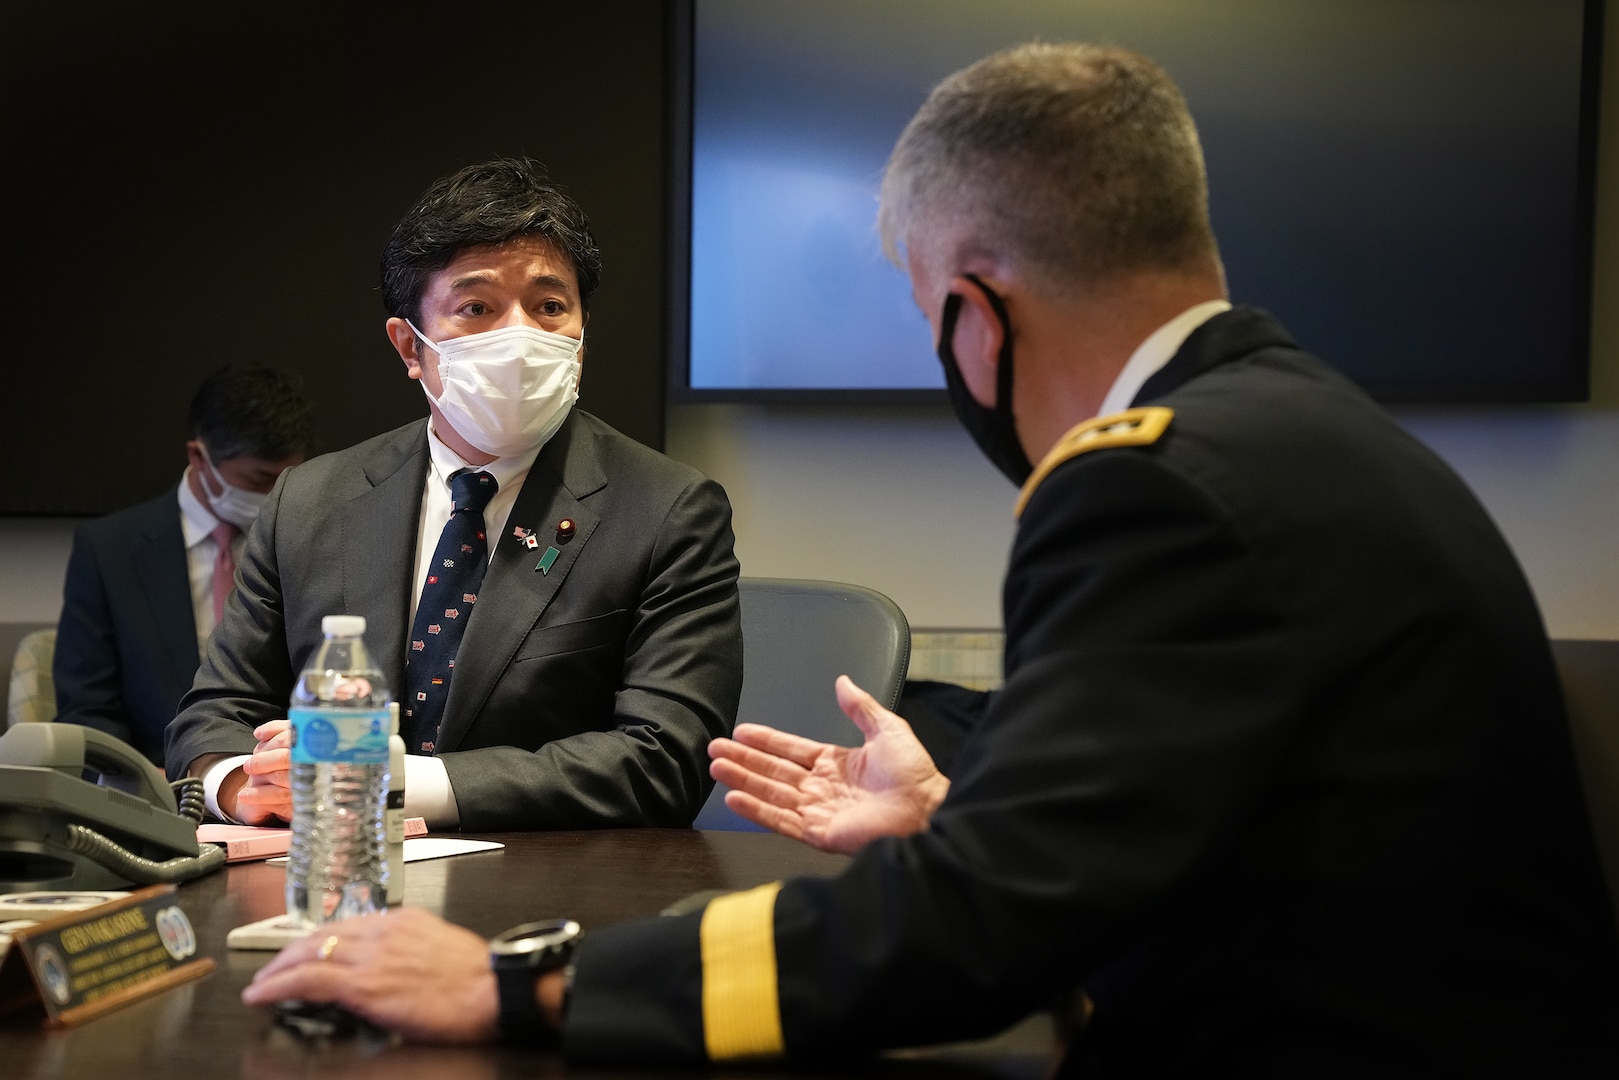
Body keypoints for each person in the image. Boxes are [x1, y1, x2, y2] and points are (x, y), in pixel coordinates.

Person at [241, 44, 1619, 1074]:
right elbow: (1212, 828)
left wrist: (520, 985)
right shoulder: (1287, 429)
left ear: (975, 306)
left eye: (923, 316)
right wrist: (963, 804)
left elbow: (969, 939)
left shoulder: (1146, 490)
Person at [165, 157, 742, 832]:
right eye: (476, 307)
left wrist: (403, 783)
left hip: (553, 894)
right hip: (335, 879)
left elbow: (663, 758)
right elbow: (213, 713)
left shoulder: (667, 510)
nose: (520, 335)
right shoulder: (311, 500)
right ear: (409, 347)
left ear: (582, 336)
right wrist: (244, 785)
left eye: (550, 306)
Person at [53, 364, 313, 765]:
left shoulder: (310, 538)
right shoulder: (109, 551)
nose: (275, 495)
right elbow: (87, 710)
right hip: (153, 790)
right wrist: (139, 780)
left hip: (281, 782)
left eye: (287, 479)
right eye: (259, 480)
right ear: (199, 456)